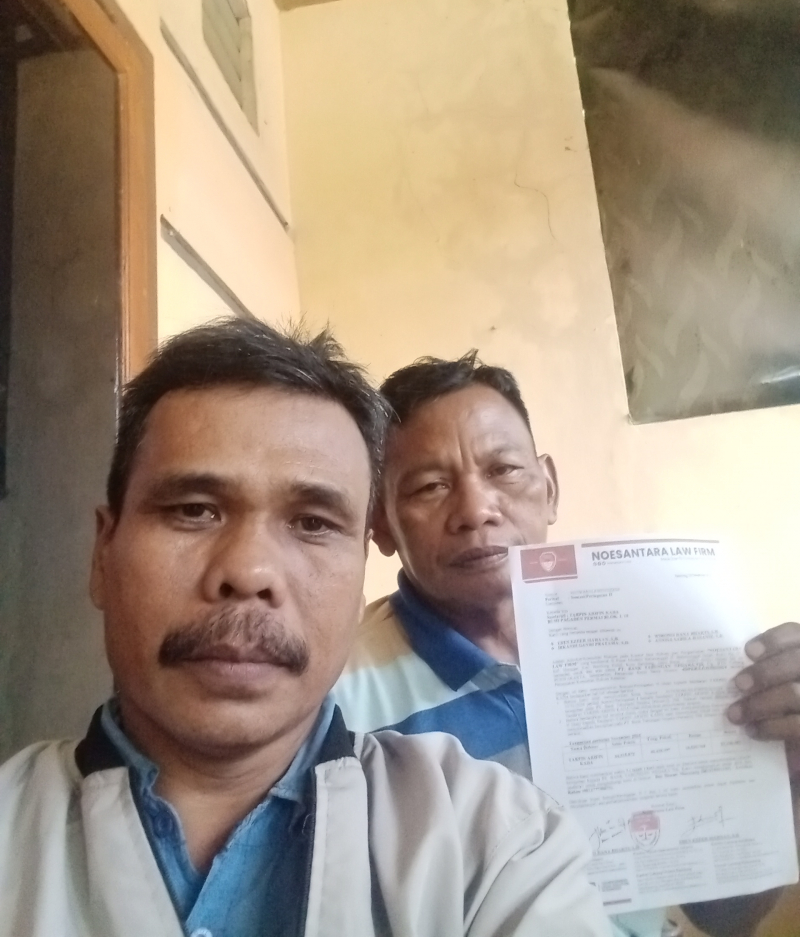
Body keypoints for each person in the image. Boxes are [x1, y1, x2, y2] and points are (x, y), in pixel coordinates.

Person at [0, 319, 613, 937]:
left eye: (313, 523)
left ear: (362, 570)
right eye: (194, 510)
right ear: (103, 555)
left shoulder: (499, 842)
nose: (249, 571)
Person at [333, 351, 800, 937]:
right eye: (430, 486)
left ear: (549, 488)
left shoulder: (653, 652)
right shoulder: (338, 712)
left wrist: (784, 780)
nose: (476, 510)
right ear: (380, 522)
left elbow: (725, 915)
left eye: (504, 470)